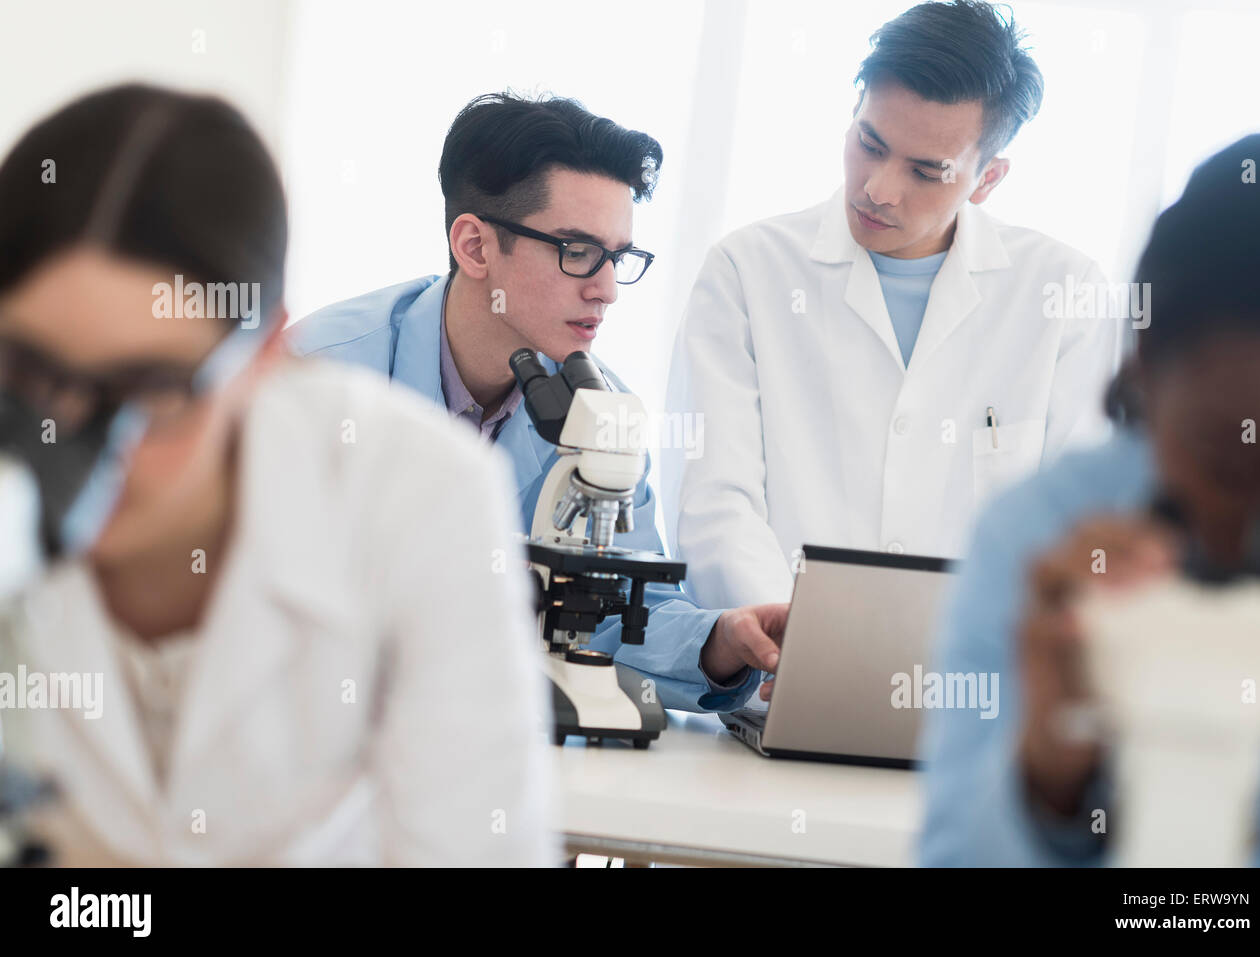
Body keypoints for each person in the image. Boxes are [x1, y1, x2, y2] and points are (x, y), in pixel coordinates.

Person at [0, 84, 554, 866]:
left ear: (266, 355)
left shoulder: (417, 492)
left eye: (152, 390)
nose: (78, 439)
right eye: (32, 372)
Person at [290, 92, 788, 709]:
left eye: (619, 258)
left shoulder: (605, 410)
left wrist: (718, 642)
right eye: (576, 252)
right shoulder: (314, 375)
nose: (607, 289)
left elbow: (618, 604)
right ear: (474, 247)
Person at [919, 128, 1260, 866]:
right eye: (1234, 462)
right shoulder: (1040, 538)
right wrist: (1052, 769)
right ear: (1148, 369)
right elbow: (958, 854)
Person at [665, 0, 1122, 614]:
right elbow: (713, 501)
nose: (879, 189)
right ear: (853, 115)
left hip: (978, 684)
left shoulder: (1064, 294)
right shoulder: (748, 270)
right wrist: (800, 648)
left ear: (987, 180)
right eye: (870, 144)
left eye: (926, 172)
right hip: (776, 678)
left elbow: (1076, 523)